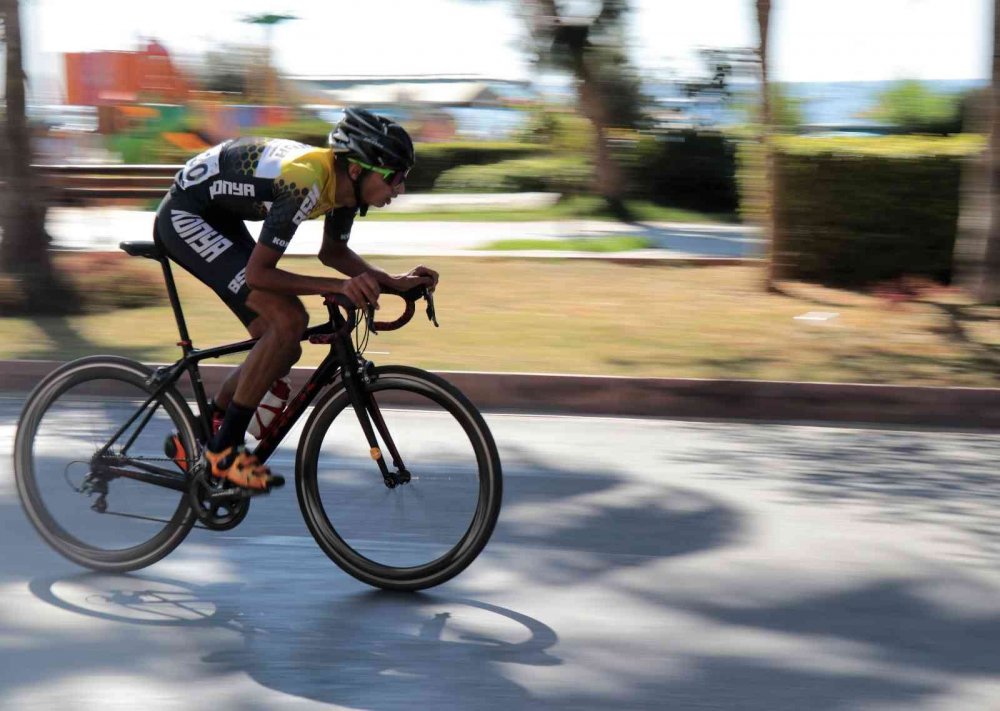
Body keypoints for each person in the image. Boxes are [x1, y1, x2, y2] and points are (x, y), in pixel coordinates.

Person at [155, 108, 438, 492]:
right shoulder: (304, 181)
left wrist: (393, 283)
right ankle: (224, 454)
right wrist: (338, 287)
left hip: (219, 215)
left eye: (403, 177)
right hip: (186, 215)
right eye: (394, 177)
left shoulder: (345, 188)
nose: (399, 189)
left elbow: (333, 252)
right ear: (358, 169)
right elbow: (259, 275)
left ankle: (202, 431)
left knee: (283, 344)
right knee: (288, 321)